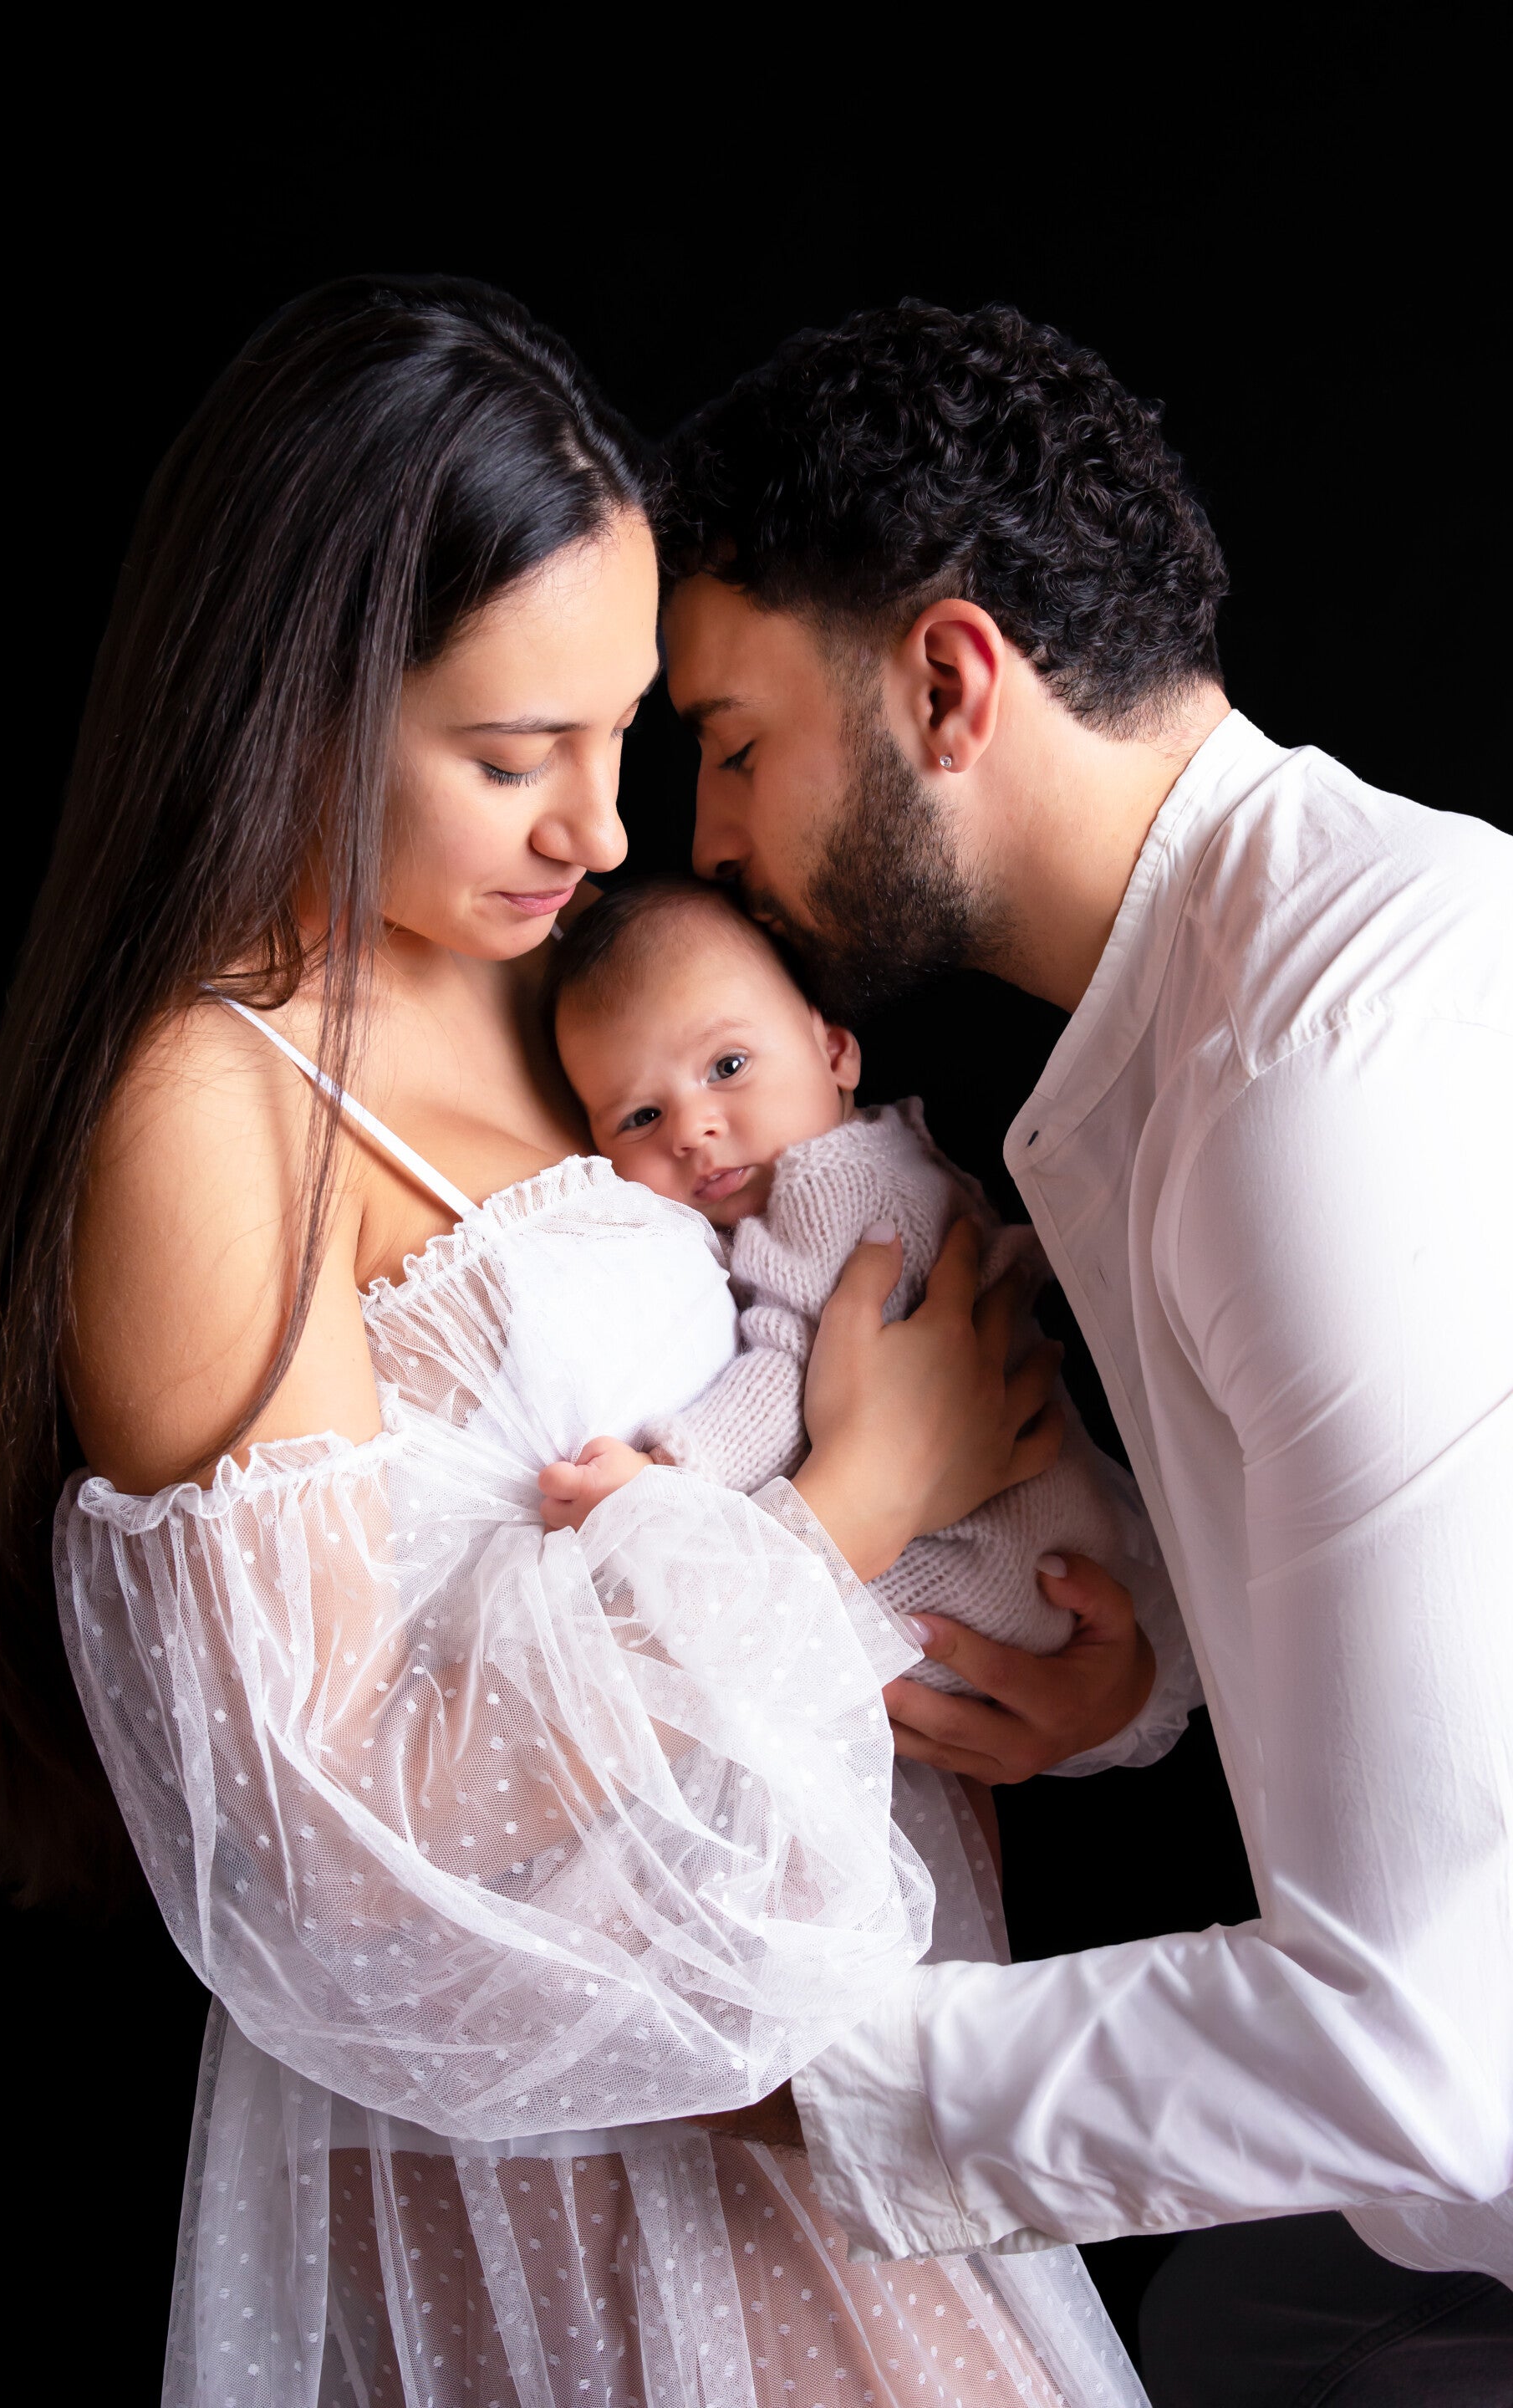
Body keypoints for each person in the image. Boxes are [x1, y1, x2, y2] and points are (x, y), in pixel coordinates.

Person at [0, 276, 1157, 2406]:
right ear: (305, 704)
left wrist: (1045, 1677)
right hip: (569, 2130)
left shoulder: (567, 975)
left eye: (623, 733)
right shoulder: (211, 1112)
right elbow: (325, 1835)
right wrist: (858, 1506)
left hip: (838, 2041)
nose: (603, 830)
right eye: (513, 757)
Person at [657, 298, 1513, 2400]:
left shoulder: (1312, 1080)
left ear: (949, 683)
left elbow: (1426, 2044)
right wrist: (1153, 1668)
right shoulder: (1204, 1018)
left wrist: (736, 2069)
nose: (701, 840)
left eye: (734, 742)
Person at [538, 871, 1168, 1690]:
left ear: (835, 1053)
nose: (691, 1129)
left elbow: (796, 1375)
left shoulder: (837, 1184)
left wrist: (670, 1476)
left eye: (728, 1065)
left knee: (753, 1646)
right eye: (641, 1117)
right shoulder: (876, 1151)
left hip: (995, 1560)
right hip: (1035, 1547)